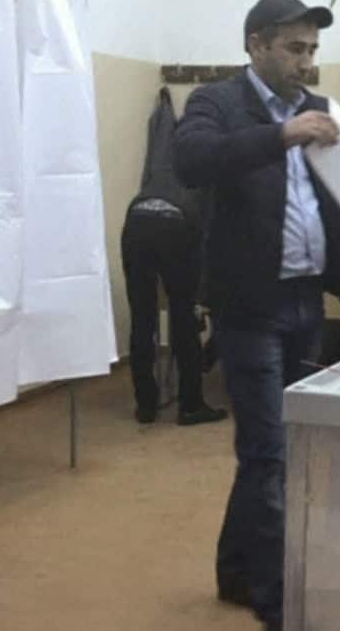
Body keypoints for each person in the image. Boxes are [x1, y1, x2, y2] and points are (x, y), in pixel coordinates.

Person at [173, 0, 340, 631]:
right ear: (256, 45)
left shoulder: (320, 110)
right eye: (295, 49)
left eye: (313, 51)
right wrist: (279, 135)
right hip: (249, 305)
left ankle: (236, 572)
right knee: (269, 450)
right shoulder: (215, 103)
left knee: (281, 450)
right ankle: (278, 603)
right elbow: (190, 162)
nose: (307, 62)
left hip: (306, 301)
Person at [121, 87, 226, 426]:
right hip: (177, 222)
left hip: (137, 215)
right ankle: (190, 405)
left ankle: (146, 405)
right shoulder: (207, 164)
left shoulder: (163, 155)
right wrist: (201, 294)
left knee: (143, 317)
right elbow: (208, 233)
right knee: (183, 317)